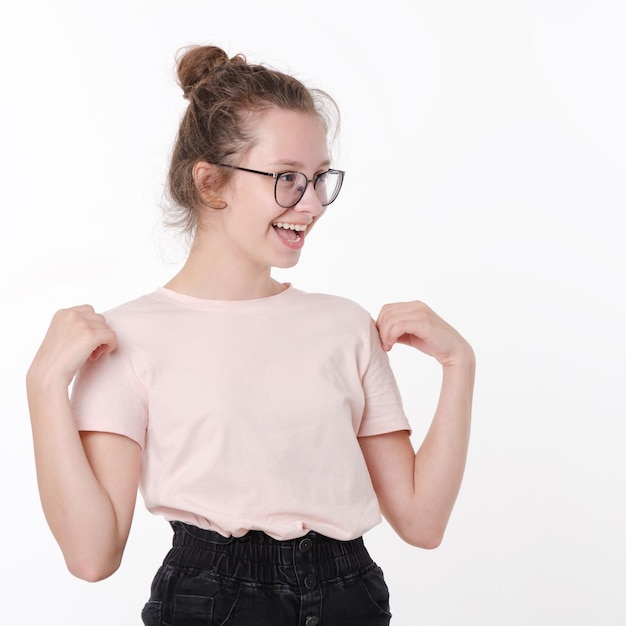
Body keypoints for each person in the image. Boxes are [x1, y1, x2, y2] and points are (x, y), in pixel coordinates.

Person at [26, 45, 475, 625]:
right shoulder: (127, 339)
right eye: (287, 178)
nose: (310, 204)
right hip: (212, 601)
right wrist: (42, 387)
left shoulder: (344, 326)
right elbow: (92, 557)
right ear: (212, 183)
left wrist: (459, 365)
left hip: (349, 595)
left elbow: (422, 521)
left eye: (319, 179)